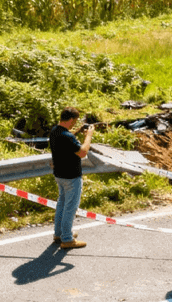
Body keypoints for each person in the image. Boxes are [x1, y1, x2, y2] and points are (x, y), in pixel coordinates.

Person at [50, 106, 94, 250]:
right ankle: (67, 239)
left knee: (62, 204)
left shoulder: (55, 131)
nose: (74, 124)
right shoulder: (68, 137)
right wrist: (89, 136)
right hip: (71, 176)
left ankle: (59, 234)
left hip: (60, 175)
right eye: (74, 121)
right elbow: (82, 152)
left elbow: (67, 141)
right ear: (70, 119)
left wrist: (77, 132)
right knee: (70, 208)